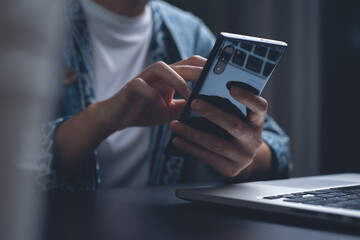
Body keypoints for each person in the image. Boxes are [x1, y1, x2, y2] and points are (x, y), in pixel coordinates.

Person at [37, 0, 291, 191]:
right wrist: (101, 119)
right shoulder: (29, 26)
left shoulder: (188, 31)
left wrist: (245, 156)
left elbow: (278, 151)